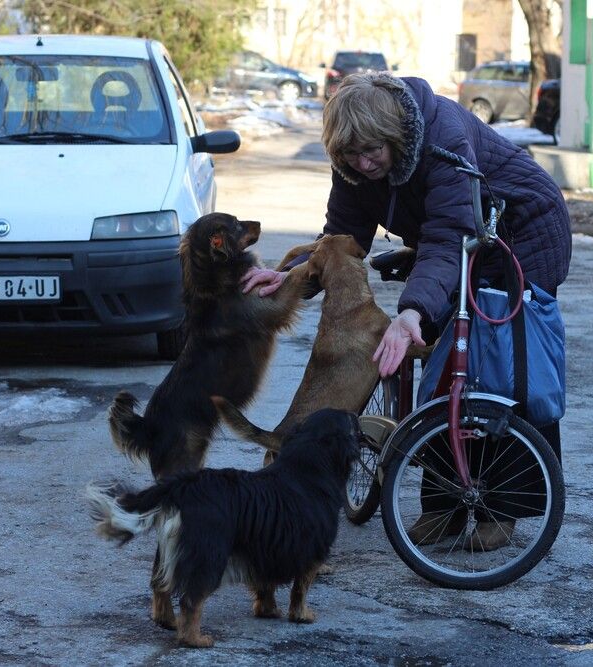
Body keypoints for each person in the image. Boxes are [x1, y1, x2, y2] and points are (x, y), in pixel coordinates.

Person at [243, 71, 572, 548]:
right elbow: (343, 237)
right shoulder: (354, 160)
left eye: (372, 151)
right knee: (442, 365)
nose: (363, 162)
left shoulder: (443, 139)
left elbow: (445, 239)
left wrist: (413, 310)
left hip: (521, 234)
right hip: (461, 237)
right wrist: (289, 277)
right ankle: (444, 507)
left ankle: (501, 511)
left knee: (503, 368)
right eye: (351, 155)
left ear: (394, 135)